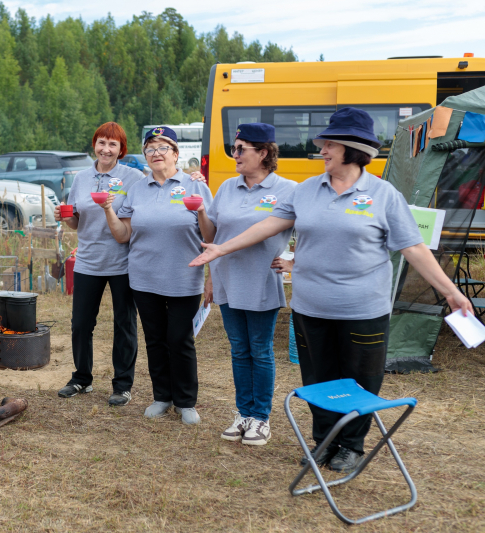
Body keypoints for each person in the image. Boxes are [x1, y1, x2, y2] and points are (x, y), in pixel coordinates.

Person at [190, 107, 473, 470]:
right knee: (318, 379)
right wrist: (221, 248)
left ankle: (351, 446)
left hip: (363, 310)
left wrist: (449, 291)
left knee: (359, 379)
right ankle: (323, 440)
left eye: (329, 144)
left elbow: (413, 248)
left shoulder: (384, 195)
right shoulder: (307, 190)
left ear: (353, 150)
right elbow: (268, 226)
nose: (321, 149)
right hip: (311, 307)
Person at [102, 126, 213, 425]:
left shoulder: (194, 186)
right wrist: (108, 210)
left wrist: (202, 211)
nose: (156, 154)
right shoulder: (137, 188)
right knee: (154, 339)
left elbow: (211, 234)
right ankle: (162, 396)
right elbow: (123, 235)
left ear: (176, 154)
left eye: (163, 148)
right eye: (150, 149)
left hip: (183, 277)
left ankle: (186, 402)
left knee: (179, 339)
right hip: (144, 277)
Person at [198, 123, 296, 446]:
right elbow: (213, 238)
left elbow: (314, 232)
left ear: (264, 152)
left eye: (241, 149)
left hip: (261, 281)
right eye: (234, 148)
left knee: (260, 350)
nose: (234, 154)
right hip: (227, 279)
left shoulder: (287, 190)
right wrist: (200, 211)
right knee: (239, 350)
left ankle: (261, 418)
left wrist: (297, 262)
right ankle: (243, 414)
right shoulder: (227, 187)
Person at [54, 122, 145, 406]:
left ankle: (122, 385)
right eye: (101, 142)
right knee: (81, 324)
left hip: (123, 262)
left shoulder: (133, 177)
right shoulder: (81, 178)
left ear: (121, 149)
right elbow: (76, 222)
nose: (106, 149)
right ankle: (81, 378)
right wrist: (64, 215)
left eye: (112, 144)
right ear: (94, 144)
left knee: (124, 324)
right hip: (88, 261)